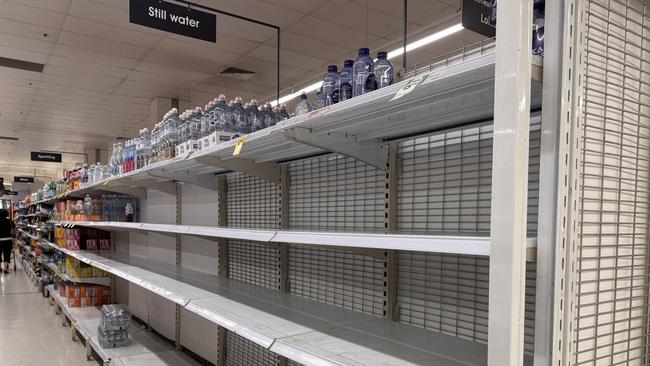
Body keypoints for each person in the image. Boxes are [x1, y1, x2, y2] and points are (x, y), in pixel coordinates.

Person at [0, 209, 14, 274]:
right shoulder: (9, 221)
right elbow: (13, 231)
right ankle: (5, 269)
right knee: (7, 254)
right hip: (7, 240)